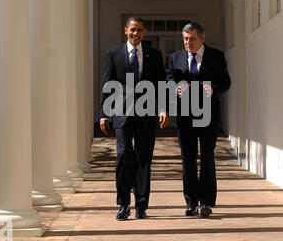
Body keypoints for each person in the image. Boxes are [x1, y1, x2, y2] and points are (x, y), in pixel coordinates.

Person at [99, 17, 169, 220]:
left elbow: (161, 84)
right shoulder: (113, 54)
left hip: (146, 114)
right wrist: (104, 113)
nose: (135, 34)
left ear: (144, 32)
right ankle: (123, 204)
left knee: (144, 159)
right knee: (123, 156)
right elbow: (107, 83)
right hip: (122, 114)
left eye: (139, 30)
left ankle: (141, 205)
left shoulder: (154, 55)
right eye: (132, 30)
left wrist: (163, 109)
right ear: (125, 31)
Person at [167, 22, 231, 217]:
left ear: (202, 38)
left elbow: (226, 81)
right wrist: (175, 88)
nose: (188, 43)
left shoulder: (216, 56)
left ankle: (207, 202)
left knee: (207, 157)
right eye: (185, 39)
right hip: (184, 115)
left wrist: (214, 90)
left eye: (192, 39)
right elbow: (169, 78)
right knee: (188, 159)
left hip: (208, 115)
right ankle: (191, 203)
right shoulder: (175, 57)